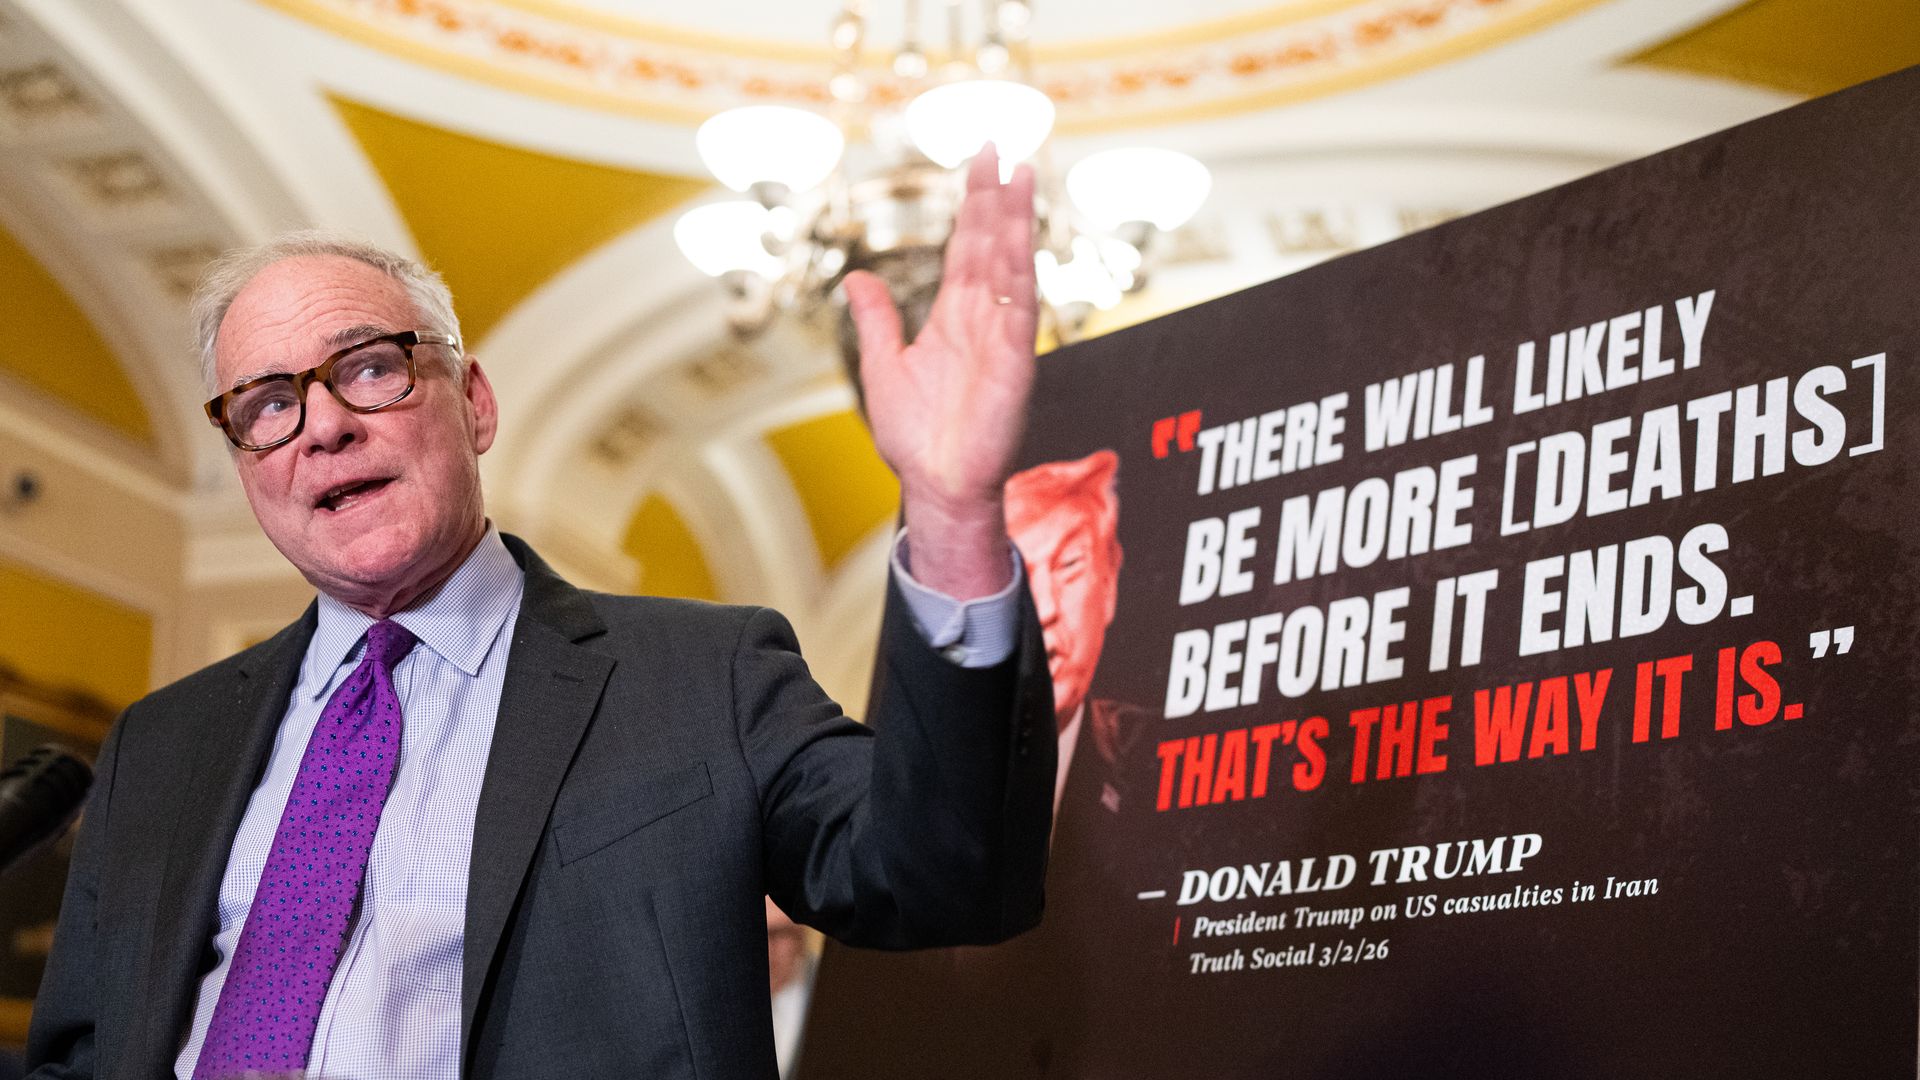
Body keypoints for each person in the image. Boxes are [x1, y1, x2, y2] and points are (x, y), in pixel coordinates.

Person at [26, 147, 1055, 1079]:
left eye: (370, 368)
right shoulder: (159, 744)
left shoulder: (705, 679)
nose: (323, 427)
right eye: (266, 405)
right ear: (246, 463)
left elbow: (945, 878)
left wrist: (954, 512)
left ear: (473, 402)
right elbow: (82, 1049)